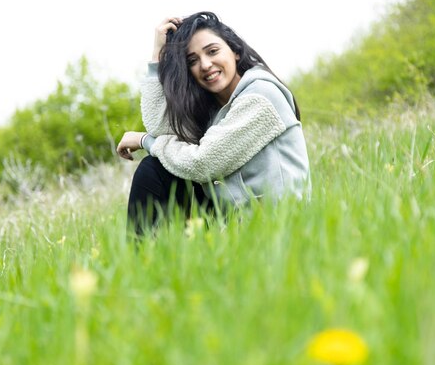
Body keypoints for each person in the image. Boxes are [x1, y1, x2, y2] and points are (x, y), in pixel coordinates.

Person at [117, 12, 311, 235]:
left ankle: (143, 259)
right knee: (157, 168)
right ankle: (144, 261)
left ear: (235, 51)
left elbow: (203, 163)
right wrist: (157, 57)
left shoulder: (261, 96)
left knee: (158, 165)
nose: (206, 64)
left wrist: (143, 140)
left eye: (212, 51)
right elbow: (160, 128)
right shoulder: (215, 112)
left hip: (276, 229)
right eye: (193, 61)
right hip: (236, 225)